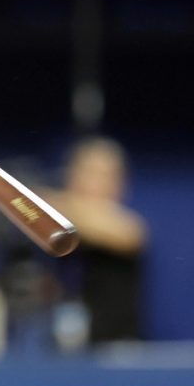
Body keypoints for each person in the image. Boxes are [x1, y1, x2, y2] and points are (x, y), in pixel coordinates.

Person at [46, 136, 148, 345]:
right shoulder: (50, 227)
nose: (92, 183)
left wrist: (36, 203)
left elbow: (121, 233)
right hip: (58, 356)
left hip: (117, 354)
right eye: (86, 172)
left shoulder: (128, 227)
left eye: (103, 175)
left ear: (121, 184)